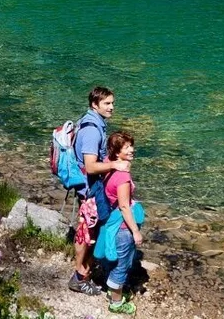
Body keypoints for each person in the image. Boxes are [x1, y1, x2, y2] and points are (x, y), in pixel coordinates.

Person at [71, 86, 128, 295]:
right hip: (90, 190)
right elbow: (91, 165)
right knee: (88, 231)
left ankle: (85, 270)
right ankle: (80, 276)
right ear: (95, 105)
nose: (112, 107)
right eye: (107, 103)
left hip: (89, 187)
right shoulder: (92, 131)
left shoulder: (92, 122)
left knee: (88, 229)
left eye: (112, 103)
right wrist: (116, 166)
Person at [94, 131, 144, 314]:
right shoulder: (122, 176)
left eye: (131, 145)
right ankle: (116, 302)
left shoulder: (109, 164)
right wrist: (135, 232)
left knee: (113, 260)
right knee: (121, 266)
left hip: (111, 223)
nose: (132, 150)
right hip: (122, 228)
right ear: (117, 151)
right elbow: (124, 207)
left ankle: (111, 288)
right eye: (127, 147)